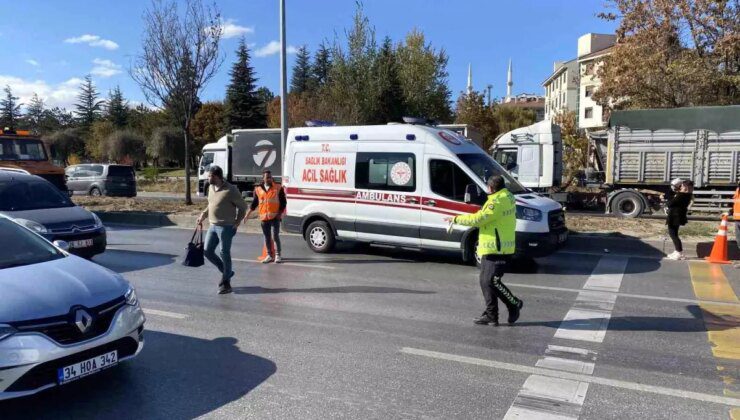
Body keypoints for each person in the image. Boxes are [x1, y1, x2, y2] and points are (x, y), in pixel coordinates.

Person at [445, 175, 523, 326]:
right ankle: (491, 315)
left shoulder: (496, 202)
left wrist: (455, 219)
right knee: (485, 281)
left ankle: (514, 304)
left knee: (491, 281)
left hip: (497, 248)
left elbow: (478, 219)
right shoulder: (508, 195)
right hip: (495, 246)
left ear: (491, 188)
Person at [195, 165, 247, 294]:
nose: (208, 178)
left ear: (217, 176)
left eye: (210, 176)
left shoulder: (231, 190)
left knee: (224, 252)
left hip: (226, 227)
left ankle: (226, 283)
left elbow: (243, 207)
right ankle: (227, 272)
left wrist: (237, 222)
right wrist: (203, 214)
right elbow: (211, 204)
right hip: (213, 225)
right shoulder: (211, 188)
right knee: (207, 251)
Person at [245, 170, 287, 264]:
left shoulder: (277, 187)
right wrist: (247, 215)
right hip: (264, 218)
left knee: (275, 236)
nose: (269, 178)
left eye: (270, 177)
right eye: (267, 177)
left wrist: (279, 214)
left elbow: (283, 202)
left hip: (275, 217)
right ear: (263, 178)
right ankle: (269, 255)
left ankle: (278, 255)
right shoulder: (258, 189)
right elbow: (254, 203)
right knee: (267, 237)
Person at [665, 178, 693, 261]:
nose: (681, 187)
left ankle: (679, 252)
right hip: (677, 216)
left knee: (673, 234)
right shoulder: (687, 194)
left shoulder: (681, 195)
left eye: (683, 186)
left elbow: (670, 204)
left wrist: (670, 197)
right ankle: (677, 251)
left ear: (686, 187)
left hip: (675, 216)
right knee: (674, 234)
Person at [730, 181, 740, 268]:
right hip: (737, 220)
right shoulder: (738, 190)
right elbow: (736, 203)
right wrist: (730, 211)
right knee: (739, 241)